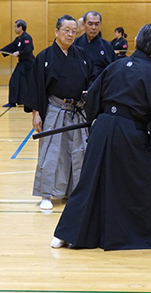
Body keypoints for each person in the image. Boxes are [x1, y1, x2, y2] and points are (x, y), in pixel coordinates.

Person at [50, 23, 151, 250]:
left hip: (102, 130)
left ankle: (65, 234)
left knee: (90, 180)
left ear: (136, 42)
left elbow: (93, 98)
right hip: (130, 135)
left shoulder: (115, 66)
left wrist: (101, 120)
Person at [25, 14, 92, 210]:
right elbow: (37, 86)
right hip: (55, 109)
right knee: (51, 152)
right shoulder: (45, 56)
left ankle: (74, 192)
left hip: (77, 110)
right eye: (66, 31)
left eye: (74, 31)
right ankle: (47, 194)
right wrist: (36, 113)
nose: (70, 35)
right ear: (56, 32)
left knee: (78, 152)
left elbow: (89, 79)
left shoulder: (81, 55)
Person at [0, 19, 35, 108]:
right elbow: (11, 47)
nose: (14, 29)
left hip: (28, 65)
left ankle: (23, 101)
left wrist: (19, 53)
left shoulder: (26, 37)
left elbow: (29, 49)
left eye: (15, 26)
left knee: (23, 83)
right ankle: (14, 101)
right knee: (16, 82)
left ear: (20, 27)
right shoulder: (19, 38)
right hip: (22, 63)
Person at [73, 11, 115, 81]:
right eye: (90, 24)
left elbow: (113, 69)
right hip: (79, 84)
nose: (93, 27)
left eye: (96, 24)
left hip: (100, 85)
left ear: (100, 25)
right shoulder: (75, 43)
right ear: (84, 24)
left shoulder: (107, 46)